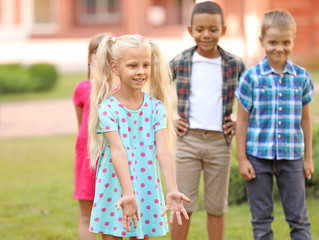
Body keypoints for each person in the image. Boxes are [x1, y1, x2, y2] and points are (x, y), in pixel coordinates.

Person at [87, 34, 190, 240]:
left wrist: (172, 189)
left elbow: (163, 149)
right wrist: (127, 193)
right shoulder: (108, 109)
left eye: (146, 65)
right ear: (115, 67)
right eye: (133, 66)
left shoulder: (156, 107)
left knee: (141, 236)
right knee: (112, 234)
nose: (141, 71)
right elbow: (117, 150)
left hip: (145, 182)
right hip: (115, 182)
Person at [169, 2, 246, 240]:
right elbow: (155, 92)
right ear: (190, 30)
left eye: (213, 29)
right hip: (187, 142)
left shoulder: (235, 64)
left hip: (219, 143)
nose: (206, 34)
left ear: (223, 30)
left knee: (216, 206)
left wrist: (237, 120)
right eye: (200, 29)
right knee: (183, 204)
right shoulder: (180, 61)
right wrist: (171, 118)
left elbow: (248, 98)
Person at [236, 10, 314, 240]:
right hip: (257, 158)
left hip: (292, 158)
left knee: (299, 219)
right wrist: (242, 159)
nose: (279, 48)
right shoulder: (251, 77)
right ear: (261, 41)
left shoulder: (301, 77)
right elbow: (242, 121)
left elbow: (306, 119)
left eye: (285, 42)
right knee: (261, 220)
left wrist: (308, 157)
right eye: (272, 42)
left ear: (293, 41)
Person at [73, 33, 107, 240]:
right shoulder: (83, 89)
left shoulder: (122, 91)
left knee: (111, 214)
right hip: (87, 158)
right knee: (86, 215)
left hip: (114, 159)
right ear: (90, 59)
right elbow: (81, 127)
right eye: (98, 52)